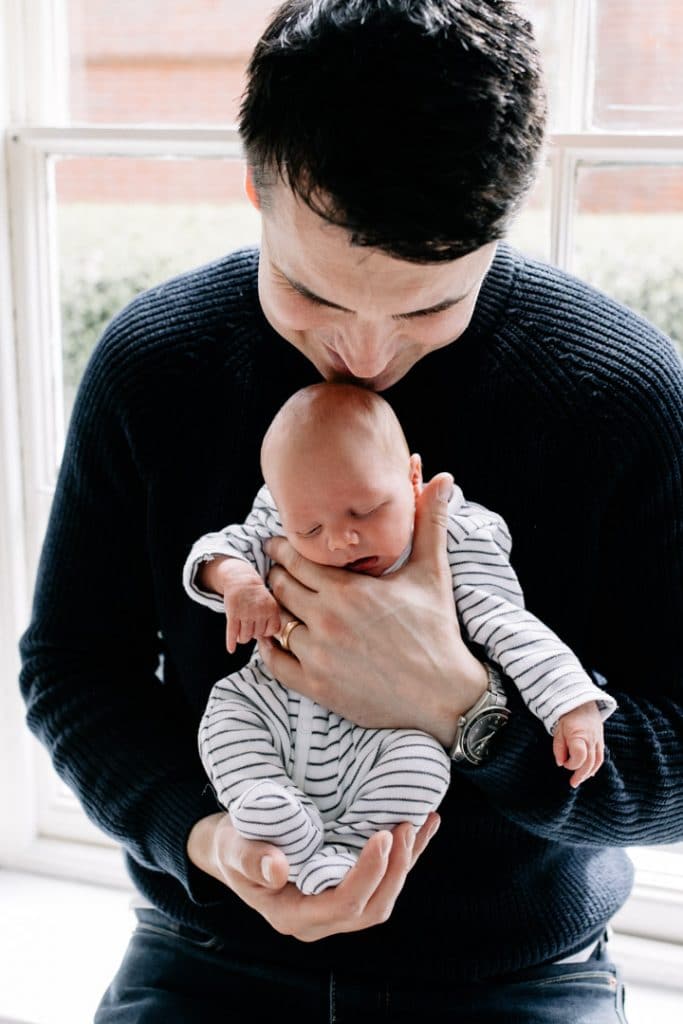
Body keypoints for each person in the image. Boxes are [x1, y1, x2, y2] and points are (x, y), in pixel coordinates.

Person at [18, 1, 682, 1020]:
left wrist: (469, 712)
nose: (364, 357)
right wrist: (205, 837)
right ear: (252, 185)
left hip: (514, 975)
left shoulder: (622, 395)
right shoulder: (156, 365)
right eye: (310, 294)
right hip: (202, 940)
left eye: (426, 307)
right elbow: (71, 667)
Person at [185, 382, 615, 894]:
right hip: (279, 709)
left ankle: (346, 852)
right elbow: (219, 549)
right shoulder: (280, 514)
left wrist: (571, 703)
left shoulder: (456, 541)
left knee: (423, 766)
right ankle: (266, 802)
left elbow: (510, 625)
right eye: (310, 529)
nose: (341, 539)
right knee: (228, 709)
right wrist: (237, 582)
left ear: (413, 477)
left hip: (388, 736)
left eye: (365, 511)